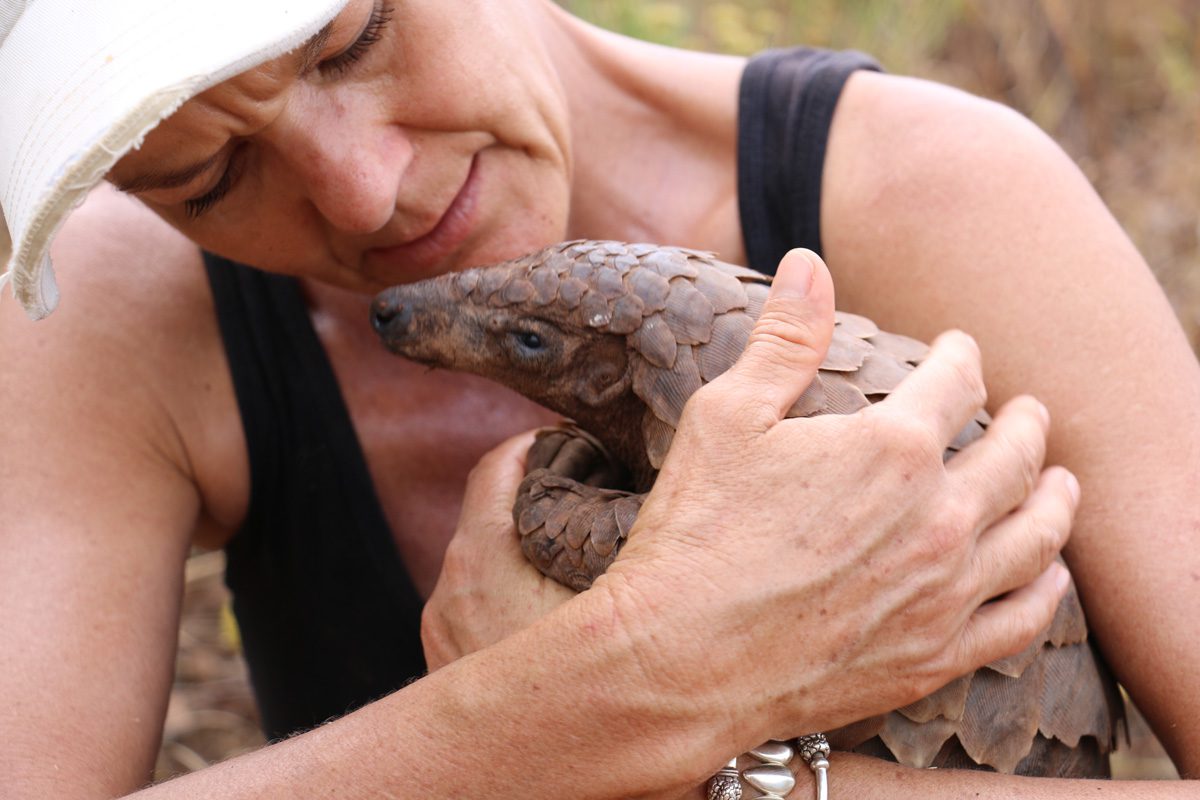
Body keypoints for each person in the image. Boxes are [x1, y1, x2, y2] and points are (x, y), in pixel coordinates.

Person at [0, 0, 1195, 797]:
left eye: (351, 39)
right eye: (209, 176)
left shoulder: (936, 194)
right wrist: (562, 703)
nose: (367, 194)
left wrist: (693, 743)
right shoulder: (125, 316)